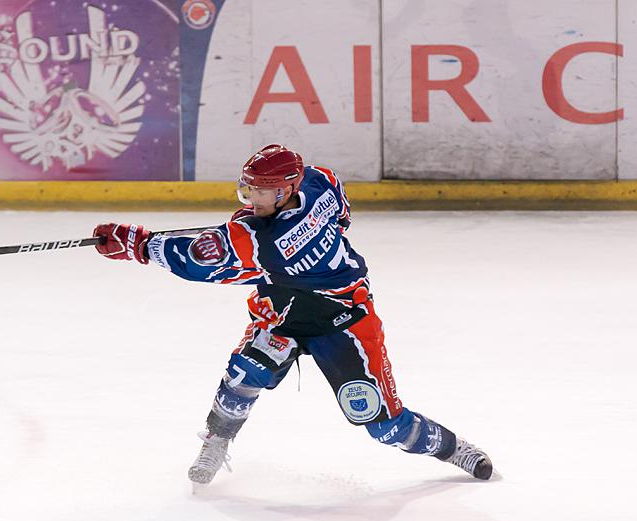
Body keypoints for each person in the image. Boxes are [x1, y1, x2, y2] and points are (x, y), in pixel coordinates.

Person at [92, 144, 493, 485]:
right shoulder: (318, 181)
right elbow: (341, 213)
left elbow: (196, 262)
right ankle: (217, 440)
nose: (252, 198)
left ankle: (454, 448)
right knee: (243, 376)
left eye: (262, 192)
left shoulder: (262, 242)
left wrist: (136, 244)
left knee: (383, 425)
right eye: (249, 189)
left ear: (286, 190)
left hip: (342, 321)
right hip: (283, 317)